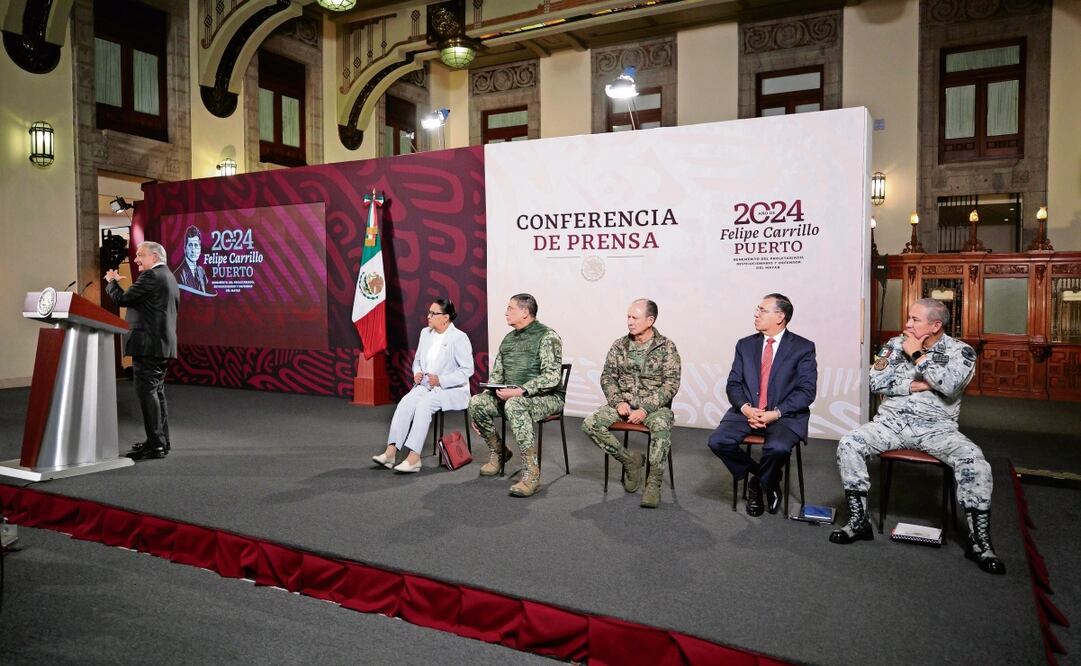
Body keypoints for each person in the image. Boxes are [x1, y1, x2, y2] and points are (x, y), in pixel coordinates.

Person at [829, 298, 1004, 575]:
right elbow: (875, 382)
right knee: (849, 443)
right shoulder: (894, 344)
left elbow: (949, 385)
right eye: (909, 318)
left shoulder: (961, 351)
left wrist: (917, 355)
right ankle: (859, 521)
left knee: (975, 460)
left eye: (915, 320)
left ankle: (979, 540)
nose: (907, 324)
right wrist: (917, 385)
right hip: (891, 424)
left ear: (935, 326)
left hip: (938, 430)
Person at [707, 293, 817, 516]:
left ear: (780, 316)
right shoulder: (745, 345)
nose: (756, 314)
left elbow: (806, 392)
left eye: (762, 310)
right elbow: (733, 384)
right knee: (717, 441)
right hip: (747, 412)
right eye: (757, 309)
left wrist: (775, 413)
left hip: (784, 416)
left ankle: (757, 485)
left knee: (778, 448)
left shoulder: (803, 347)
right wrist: (746, 408)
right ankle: (765, 477)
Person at [582, 299, 681, 508]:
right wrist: (617, 401)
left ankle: (653, 483)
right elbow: (607, 377)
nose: (629, 321)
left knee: (661, 425)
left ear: (650, 320)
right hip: (624, 405)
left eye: (635, 317)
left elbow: (671, 384)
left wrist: (645, 409)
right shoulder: (620, 345)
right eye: (628, 316)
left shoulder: (666, 347)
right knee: (590, 424)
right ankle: (630, 460)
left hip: (654, 408)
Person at [468, 293, 564, 497]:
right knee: (476, 402)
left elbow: (552, 377)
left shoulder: (547, 336)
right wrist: (480, 408)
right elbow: (497, 376)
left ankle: (532, 474)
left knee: (514, 404)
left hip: (546, 398)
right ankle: (499, 451)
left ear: (525, 312)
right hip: (513, 396)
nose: (506, 313)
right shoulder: (508, 340)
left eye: (510, 309)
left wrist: (521, 391)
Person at [372, 299, 474, 473]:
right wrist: (417, 372)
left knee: (424, 404)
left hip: (451, 389)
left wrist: (441, 380)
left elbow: (467, 370)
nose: (428, 316)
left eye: (433, 313)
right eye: (429, 312)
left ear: (446, 317)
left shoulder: (459, 337)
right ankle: (391, 453)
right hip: (426, 385)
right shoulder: (425, 333)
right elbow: (417, 361)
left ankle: (414, 458)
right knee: (406, 402)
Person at [104, 241, 180, 460]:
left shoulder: (151, 276)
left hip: (148, 345)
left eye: (140, 255)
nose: (136, 259)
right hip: (159, 345)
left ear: (154, 257)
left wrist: (111, 282)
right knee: (156, 393)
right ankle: (160, 442)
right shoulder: (168, 276)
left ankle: (155, 445)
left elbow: (123, 299)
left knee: (148, 394)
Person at [173, 225, 215, 295]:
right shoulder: (179, 275)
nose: (193, 250)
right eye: (190, 245)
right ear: (185, 248)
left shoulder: (201, 271)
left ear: (200, 249)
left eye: (196, 245)